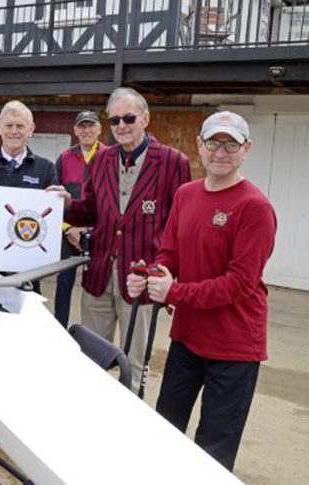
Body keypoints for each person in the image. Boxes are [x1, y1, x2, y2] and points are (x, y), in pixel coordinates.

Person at [127, 112, 276, 471]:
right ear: (199, 145)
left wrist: (175, 293)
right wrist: (151, 278)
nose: (220, 152)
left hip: (234, 347)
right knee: (166, 428)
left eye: (231, 143)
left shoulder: (255, 208)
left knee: (213, 446)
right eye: (213, 142)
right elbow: (170, 253)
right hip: (188, 339)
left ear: (246, 149)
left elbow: (239, 284)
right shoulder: (185, 194)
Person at [48, 87, 191, 392]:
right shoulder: (101, 160)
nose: (122, 126)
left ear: (146, 119)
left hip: (141, 279)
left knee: (135, 361)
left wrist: (170, 278)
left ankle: (130, 426)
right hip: (99, 273)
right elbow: (91, 211)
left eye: (129, 118)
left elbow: (179, 227)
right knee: (90, 357)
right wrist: (68, 204)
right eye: (115, 120)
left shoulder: (173, 162)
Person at [0, 100, 57, 294]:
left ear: (31, 129)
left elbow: (51, 219)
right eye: (8, 125)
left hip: (28, 266)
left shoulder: (46, 169)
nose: (14, 131)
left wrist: (63, 203)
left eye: (20, 126)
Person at [52, 110, 106, 327]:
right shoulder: (64, 158)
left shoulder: (111, 156)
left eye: (91, 126)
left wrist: (89, 229)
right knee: (63, 284)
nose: (86, 131)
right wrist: (68, 229)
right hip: (68, 234)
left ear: (100, 129)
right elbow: (55, 200)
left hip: (99, 232)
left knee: (98, 288)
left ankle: (92, 334)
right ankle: (60, 331)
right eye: (82, 126)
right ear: (75, 131)